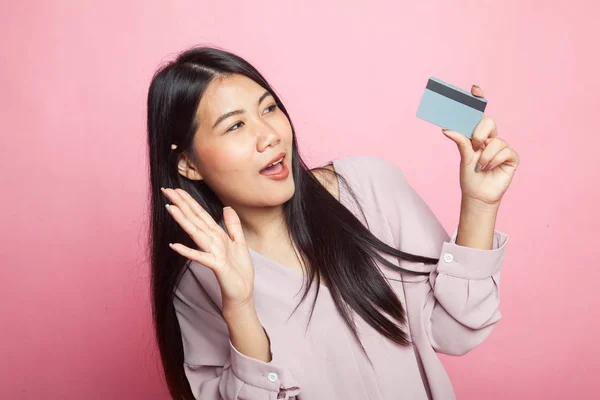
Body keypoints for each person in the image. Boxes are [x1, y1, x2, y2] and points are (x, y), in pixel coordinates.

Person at [146, 46, 520, 400]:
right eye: (235, 126)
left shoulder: (370, 187)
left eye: (269, 108)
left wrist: (480, 204)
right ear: (188, 164)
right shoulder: (200, 278)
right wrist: (240, 306)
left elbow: (456, 332)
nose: (269, 135)